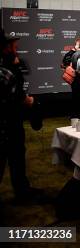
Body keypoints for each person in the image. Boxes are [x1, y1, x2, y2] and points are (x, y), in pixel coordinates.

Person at [0, 32, 40, 202]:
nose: (16, 49)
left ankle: (23, 190)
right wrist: (29, 101)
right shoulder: (6, 73)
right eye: (14, 46)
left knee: (16, 157)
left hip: (10, 123)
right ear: (6, 48)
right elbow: (18, 97)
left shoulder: (7, 67)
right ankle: (22, 193)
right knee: (13, 157)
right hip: (8, 124)